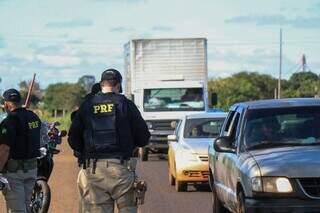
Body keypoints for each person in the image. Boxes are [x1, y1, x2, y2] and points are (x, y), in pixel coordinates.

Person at [68, 68, 150, 213]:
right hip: (122, 170)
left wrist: (86, 151)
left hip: (94, 171)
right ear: (118, 85)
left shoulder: (87, 105)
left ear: (101, 84)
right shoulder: (126, 105)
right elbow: (143, 137)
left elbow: (73, 139)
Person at [0, 89, 41, 213]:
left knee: (17, 210)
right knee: (27, 208)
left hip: (14, 173)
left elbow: (4, 149)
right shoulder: (33, 116)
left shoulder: (10, 121)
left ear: (7, 104)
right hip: (32, 170)